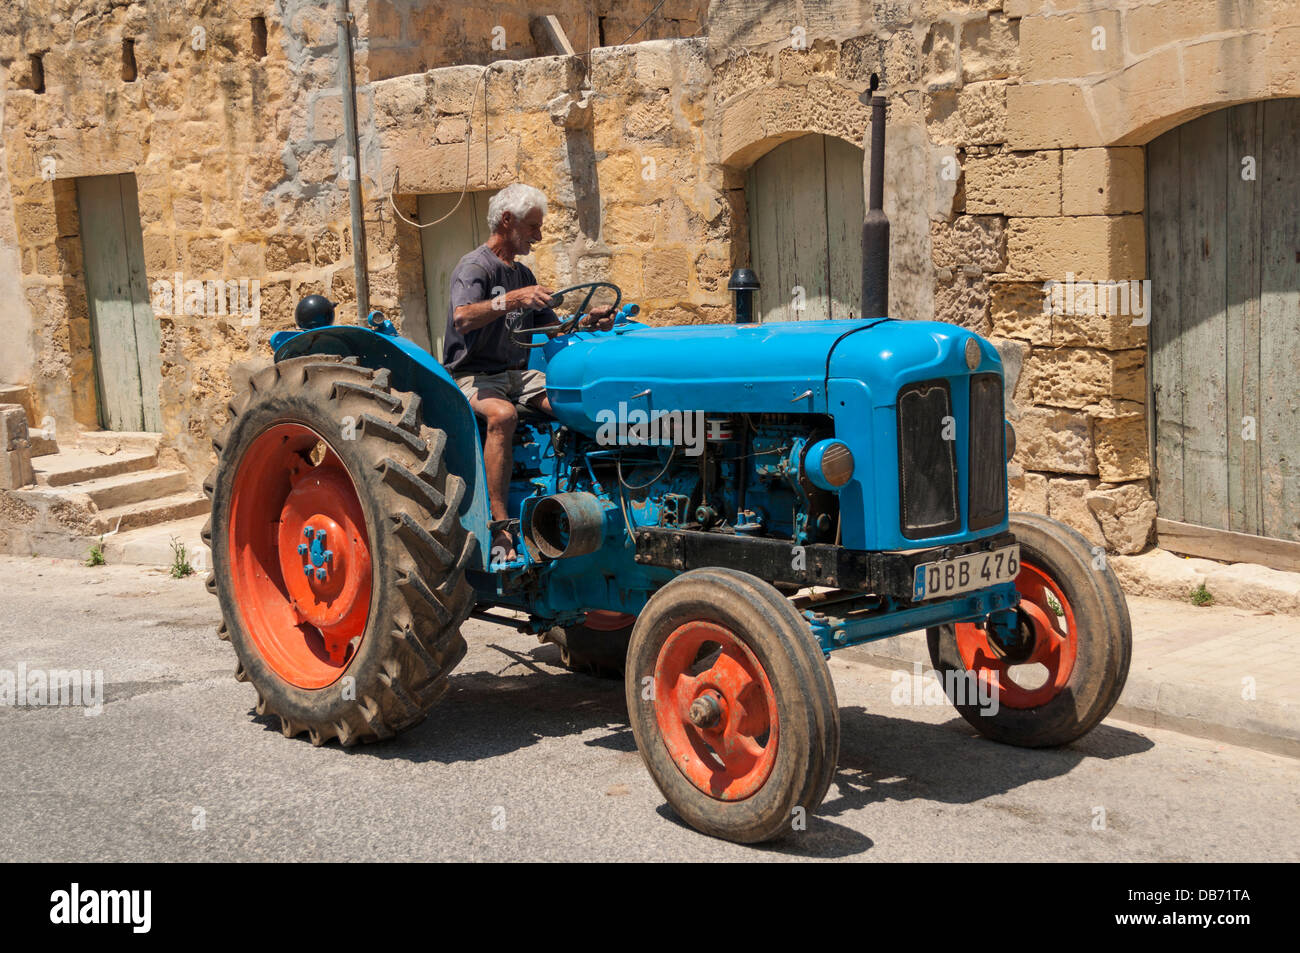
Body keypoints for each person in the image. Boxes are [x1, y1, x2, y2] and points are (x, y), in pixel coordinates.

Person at [444, 183, 615, 561]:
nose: (538, 236)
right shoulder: (474, 267)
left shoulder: (522, 273)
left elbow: (552, 328)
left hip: (518, 374)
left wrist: (588, 321)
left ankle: (586, 492)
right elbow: (463, 317)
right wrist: (513, 299)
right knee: (501, 416)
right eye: (533, 227)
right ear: (507, 221)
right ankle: (500, 525)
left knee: (572, 402)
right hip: (474, 374)